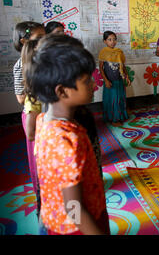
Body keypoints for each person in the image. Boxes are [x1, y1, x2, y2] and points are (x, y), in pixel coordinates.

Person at [27, 35, 109, 235]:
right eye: (86, 80)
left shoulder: (44, 122)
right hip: (75, 227)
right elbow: (74, 208)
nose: (92, 83)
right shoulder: (66, 140)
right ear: (62, 91)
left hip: (58, 217)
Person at [12, 21, 45, 218]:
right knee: (38, 160)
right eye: (39, 38)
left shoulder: (44, 60)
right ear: (25, 41)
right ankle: (43, 201)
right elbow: (20, 98)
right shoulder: (21, 66)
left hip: (49, 114)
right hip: (35, 117)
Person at [98, 31, 130, 126]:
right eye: (109, 39)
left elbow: (122, 65)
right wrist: (106, 80)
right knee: (112, 100)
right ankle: (113, 119)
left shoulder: (119, 52)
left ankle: (120, 116)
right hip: (110, 81)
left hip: (119, 80)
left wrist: (126, 76)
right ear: (104, 41)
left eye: (114, 39)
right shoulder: (103, 52)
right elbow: (101, 68)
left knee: (120, 99)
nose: (112, 42)